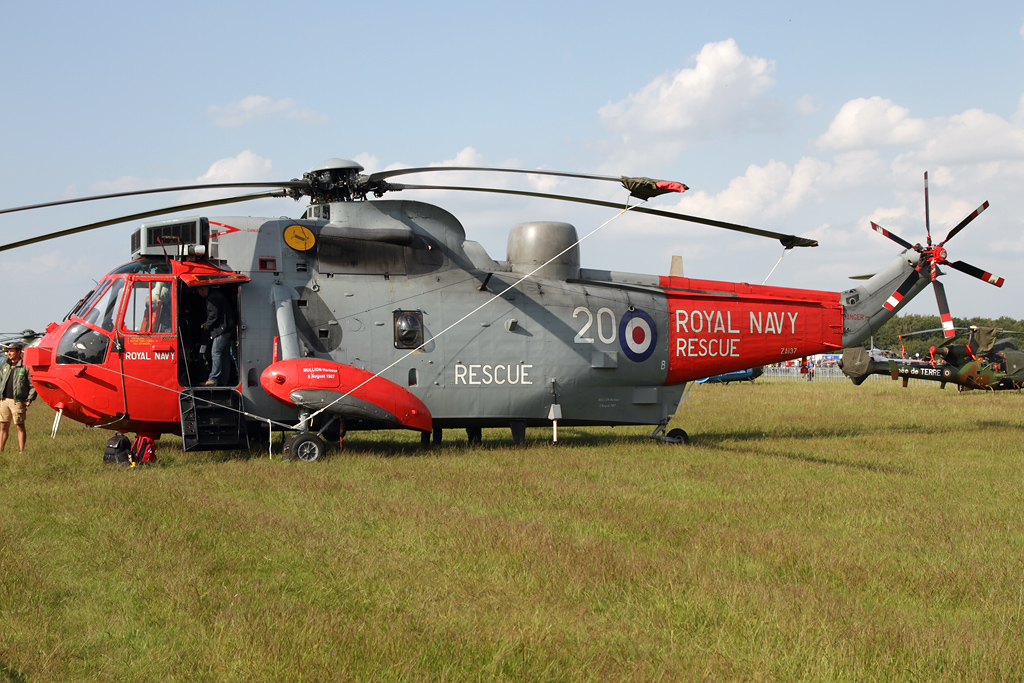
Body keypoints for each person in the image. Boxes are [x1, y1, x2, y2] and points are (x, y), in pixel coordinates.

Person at [0, 342, 37, 453]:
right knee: (3, 426)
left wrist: (29, 399)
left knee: (19, 426)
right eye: (8, 351)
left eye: (11, 351)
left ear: (18, 352)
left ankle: (21, 451)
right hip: (4, 400)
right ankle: (1, 450)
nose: (9, 353)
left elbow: (33, 384)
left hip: (18, 401)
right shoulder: (5, 365)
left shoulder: (25, 366)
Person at [196, 286, 235, 386]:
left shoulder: (212, 298)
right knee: (225, 355)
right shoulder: (218, 295)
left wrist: (207, 325)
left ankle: (213, 379)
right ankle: (224, 379)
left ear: (203, 289)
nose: (199, 294)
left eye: (199, 292)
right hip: (228, 329)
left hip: (221, 330)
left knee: (216, 353)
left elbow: (213, 314)